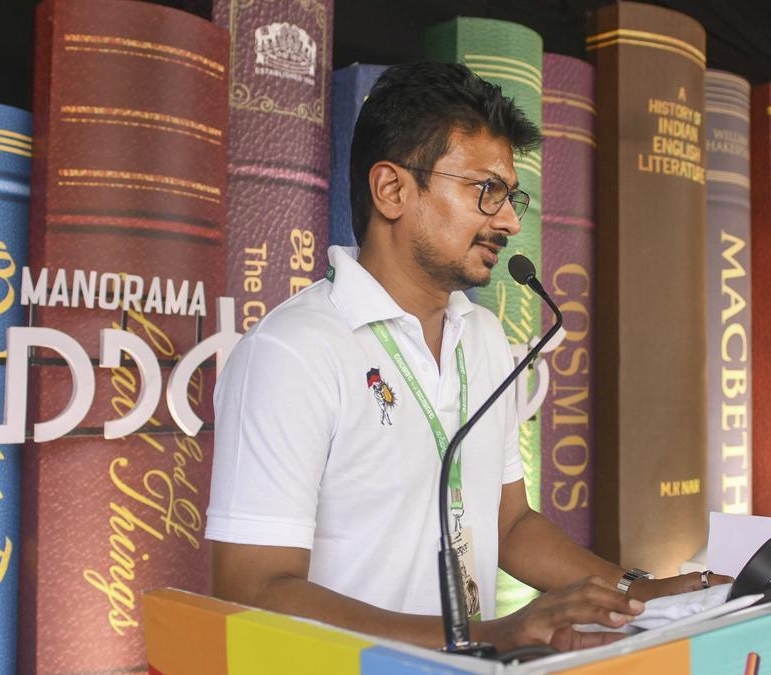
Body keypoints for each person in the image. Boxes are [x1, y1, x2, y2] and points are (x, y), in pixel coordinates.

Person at [204, 62, 727, 652]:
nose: (509, 220)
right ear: (392, 190)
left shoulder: (482, 336)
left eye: (511, 196)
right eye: (486, 191)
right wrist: (487, 636)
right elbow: (252, 589)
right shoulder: (291, 352)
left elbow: (509, 522)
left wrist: (640, 593)